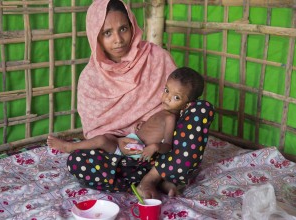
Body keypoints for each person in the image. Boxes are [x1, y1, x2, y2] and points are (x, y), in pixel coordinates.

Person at [48, 0, 214, 198]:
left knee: (202, 109)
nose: (118, 39)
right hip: (120, 157)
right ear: (95, 37)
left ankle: (152, 178)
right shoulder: (90, 78)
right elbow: (96, 132)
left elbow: (178, 107)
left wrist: (153, 139)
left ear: (133, 26)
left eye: (123, 28)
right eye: (107, 33)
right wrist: (121, 141)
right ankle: (158, 180)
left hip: (162, 153)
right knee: (78, 161)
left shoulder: (156, 57)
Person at [48, 67, 204, 165]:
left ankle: (69, 147)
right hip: (133, 141)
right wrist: (143, 127)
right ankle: (89, 151)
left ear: (188, 104)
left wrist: (155, 146)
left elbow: (168, 146)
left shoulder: (171, 118)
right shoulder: (165, 111)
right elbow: (155, 130)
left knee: (102, 140)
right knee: (107, 136)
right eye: (166, 90)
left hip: (135, 153)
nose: (167, 98)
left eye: (176, 97)